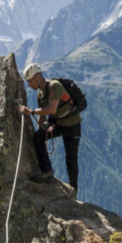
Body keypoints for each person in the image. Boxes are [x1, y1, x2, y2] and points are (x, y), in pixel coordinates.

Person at [18, 63, 82, 192]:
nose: (29, 85)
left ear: (37, 77)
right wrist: (40, 131)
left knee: (71, 160)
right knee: (38, 138)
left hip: (72, 124)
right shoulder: (40, 94)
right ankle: (47, 172)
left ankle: (73, 190)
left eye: (30, 81)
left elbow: (52, 109)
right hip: (57, 123)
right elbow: (43, 114)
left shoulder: (54, 86)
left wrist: (31, 111)